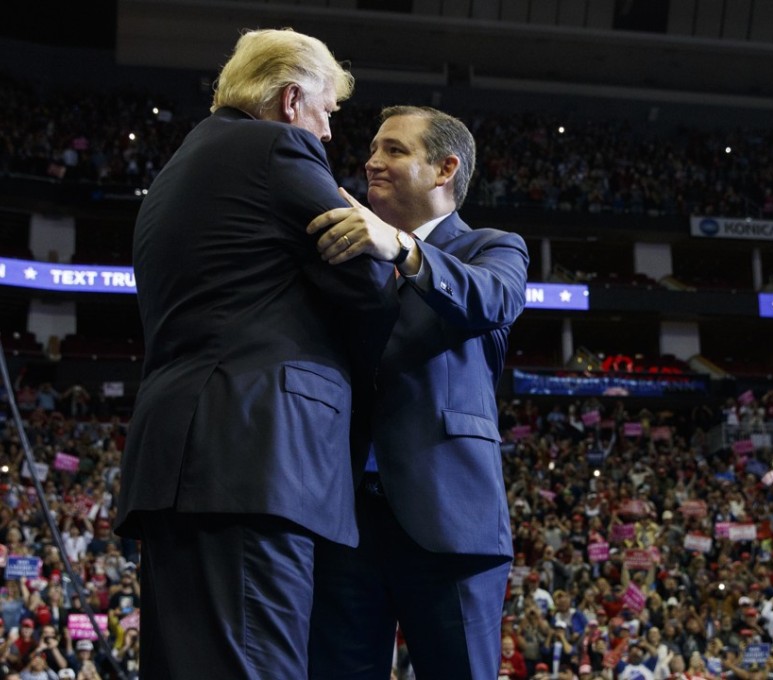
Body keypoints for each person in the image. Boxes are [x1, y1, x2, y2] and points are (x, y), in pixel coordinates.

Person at [114, 28, 400, 678]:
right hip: (252, 466)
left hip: (181, 469)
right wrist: (389, 247)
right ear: (292, 99)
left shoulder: (179, 167)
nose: (328, 134)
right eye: (328, 111)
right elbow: (367, 280)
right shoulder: (277, 148)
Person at [305, 105, 529, 678]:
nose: (372, 161)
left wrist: (403, 249)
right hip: (345, 523)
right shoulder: (345, 253)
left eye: (395, 151)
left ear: (444, 168)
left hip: (450, 523)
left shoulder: (493, 247)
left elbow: (494, 300)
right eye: (373, 148)